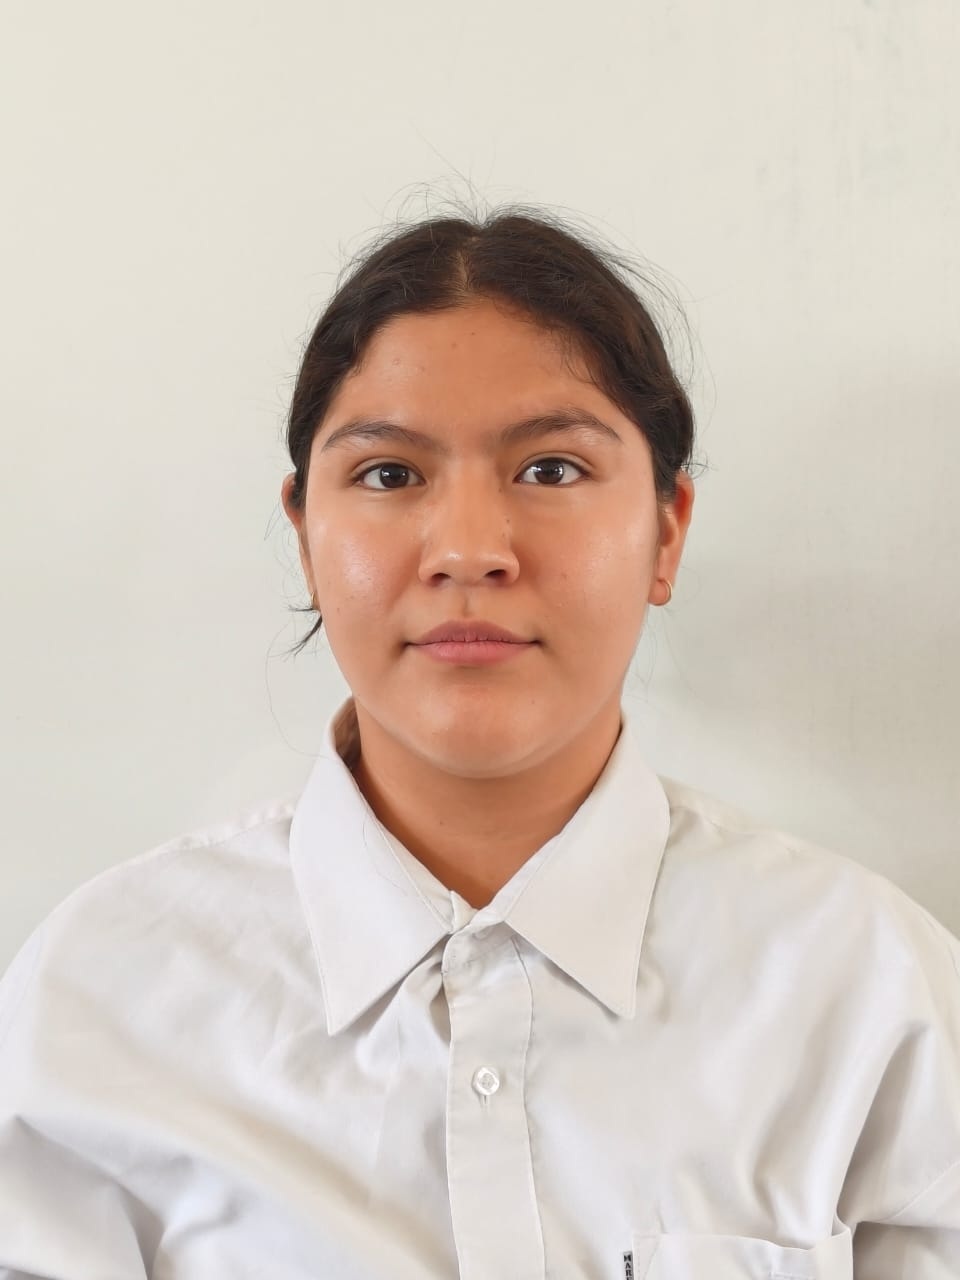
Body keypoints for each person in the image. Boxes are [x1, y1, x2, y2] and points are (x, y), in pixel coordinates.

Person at [1, 205, 958, 1279]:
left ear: (667, 530)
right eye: (389, 474)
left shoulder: (868, 989)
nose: (466, 550)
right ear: (305, 537)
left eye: (550, 469)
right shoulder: (104, 996)